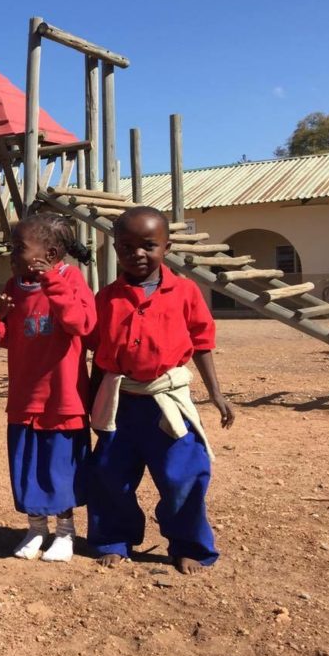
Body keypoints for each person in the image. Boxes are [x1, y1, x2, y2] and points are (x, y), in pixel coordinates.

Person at [87, 206, 234, 574]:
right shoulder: (106, 298)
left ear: (166, 246)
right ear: (115, 248)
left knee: (184, 476)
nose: (137, 253)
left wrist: (216, 393)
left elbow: (202, 342)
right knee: (109, 476)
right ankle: (114, 539)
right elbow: (99, 355)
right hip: (121, 403)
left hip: (166, 403)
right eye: (126, 246)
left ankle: (188, 545)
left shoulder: (184, 292)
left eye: (148, 245)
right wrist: (91, 403)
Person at [0, 214, 95, 562]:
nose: (11, 254)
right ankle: (36, 528)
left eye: (19, 248)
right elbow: (10, 339)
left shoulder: (71, 280)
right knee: (27, 467)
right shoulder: (14, 287)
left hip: (62, 399)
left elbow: (79, 323)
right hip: (25, 398)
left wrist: (52, 282)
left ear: (51, 255)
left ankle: (65, 532)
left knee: (60, 470)